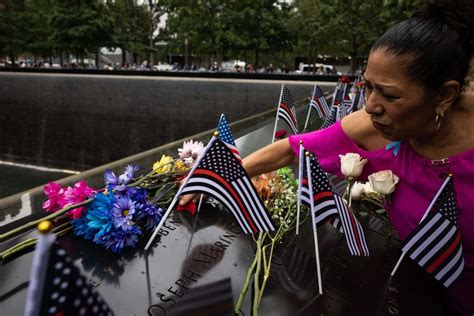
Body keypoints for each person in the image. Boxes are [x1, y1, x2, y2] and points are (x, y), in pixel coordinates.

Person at [181, 0, 473, 314]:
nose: (371, 105)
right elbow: (291, 150)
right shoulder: (371, 125)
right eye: (367, 86)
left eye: (389, 95)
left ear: (444, 95)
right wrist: (212, 180)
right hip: (422, 284)